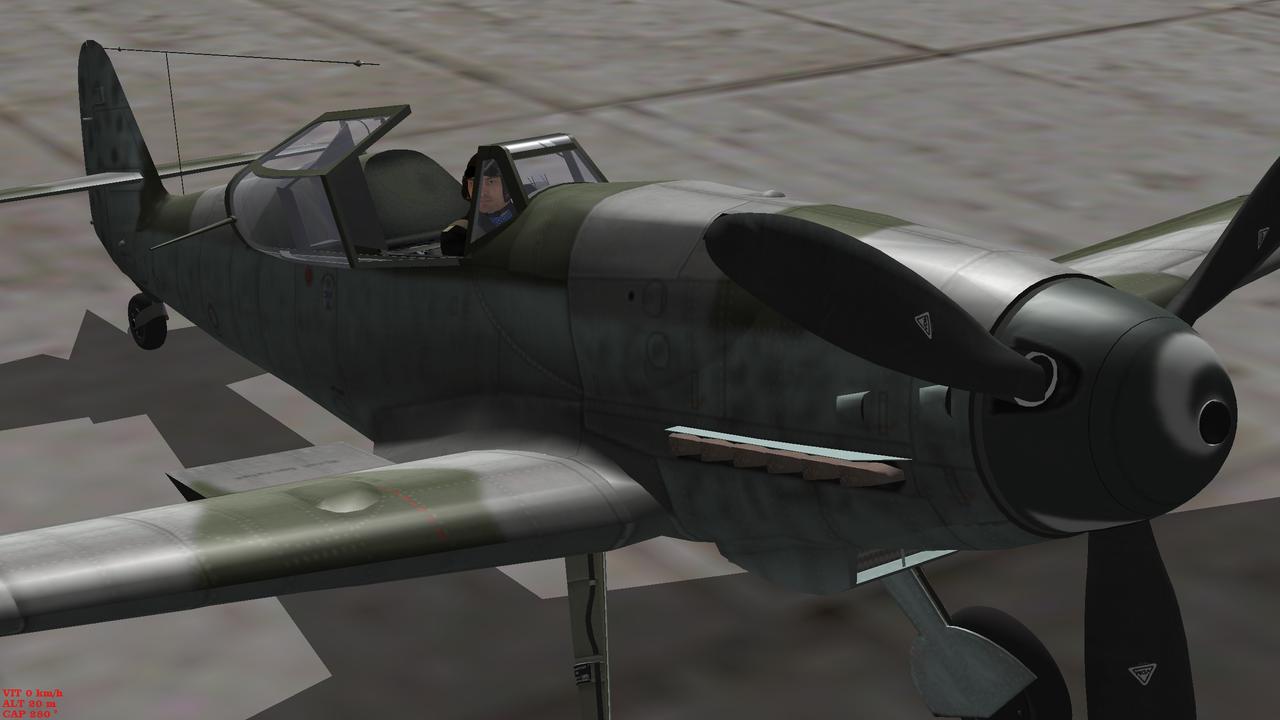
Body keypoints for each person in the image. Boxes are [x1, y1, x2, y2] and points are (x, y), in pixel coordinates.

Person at [440, 155, 516, 256]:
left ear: (508, 185)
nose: (482, 193)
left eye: (490, 182)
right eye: (474, 182)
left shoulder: (529, 216)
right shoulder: (459, 235)